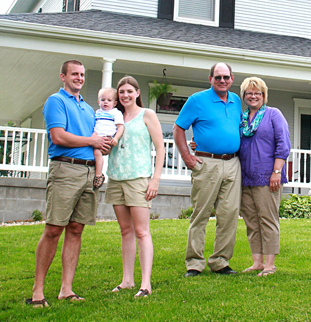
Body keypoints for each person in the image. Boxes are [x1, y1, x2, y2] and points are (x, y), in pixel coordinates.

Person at [27, 60, 110, 307]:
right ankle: (38, 291)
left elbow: (96, 139)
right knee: (54, 229)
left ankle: (67, 289)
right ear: (63, 76)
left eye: (82, 74)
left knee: (76, 229)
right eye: (74, 74)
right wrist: (92, 142)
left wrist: (103, 144)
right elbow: (58, 136)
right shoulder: (56, 101)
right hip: (65, 169)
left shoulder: (88, 108)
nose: (79, 78)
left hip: (88, 172)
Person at [174, 62, 242, 277]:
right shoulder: (197, 100)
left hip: (233, 163)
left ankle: (220, 261)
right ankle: (194, 263)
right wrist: (187, 156)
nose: (222, 81)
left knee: (229, 214)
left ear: (232, 79)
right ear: (210, 79)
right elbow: (178, 128)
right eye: (218, 77)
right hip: (207, 163)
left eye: (226, 77)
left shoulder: (236, 101)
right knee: (201, 214)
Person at [105, 76, 165, 298]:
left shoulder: (147, 114)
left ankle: (145, 284)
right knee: (125, 230)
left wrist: (155, 179)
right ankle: (127, 280)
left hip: (139, 178)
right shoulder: (114, 116)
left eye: (129, 91)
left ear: (138, 93)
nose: (125, 95)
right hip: (116, 177)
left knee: (141, 231)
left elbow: (160, 148)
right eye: (121, 92)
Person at [237, 77, 291, 277]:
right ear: (244, 96)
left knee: (267, 219)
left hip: (268, 177)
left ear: (264, 95)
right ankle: (257, 262)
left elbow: (283, 144)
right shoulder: (242, 119)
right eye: (249, 93)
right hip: (245, 177)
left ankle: (270, 265)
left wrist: (276, 172)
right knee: (251, 220)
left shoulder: (273, 114)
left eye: (257, 93)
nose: (253, 96)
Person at [92, 87, 125, 189]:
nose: (105, 102)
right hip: (96, 137)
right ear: (98, 102)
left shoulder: (115, 113)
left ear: (115, 103)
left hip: (107, 138)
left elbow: (120, 127)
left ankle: (98, 175)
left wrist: (116, 138)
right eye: (103, 100)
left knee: (97, 153)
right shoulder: (97, 113)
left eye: (109, 100)